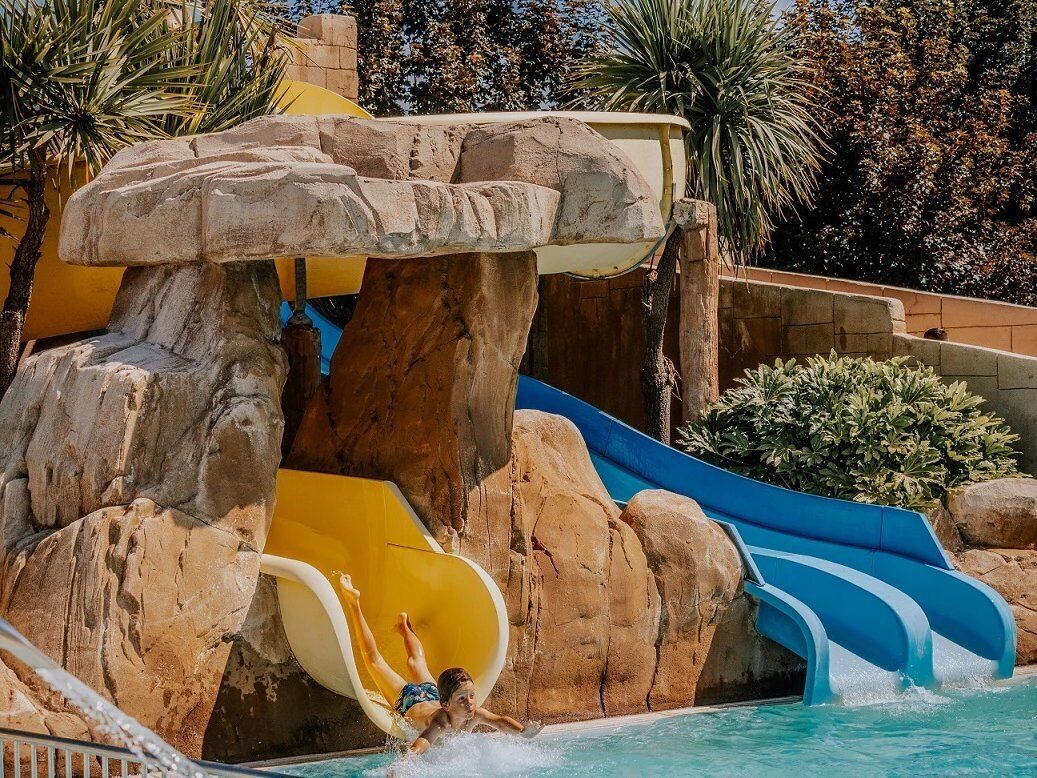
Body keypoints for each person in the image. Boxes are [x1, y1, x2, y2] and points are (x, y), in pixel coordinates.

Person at [335, 572, 543, 752]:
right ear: (447, 705)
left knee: (417, 660)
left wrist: (524, 731)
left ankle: (404, 627)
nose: (470, 702)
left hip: (433, 692)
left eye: (471, 695)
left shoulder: (474, 713)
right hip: (411, 700)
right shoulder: (440, 723)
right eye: (462, 699)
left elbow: (499, 721)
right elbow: (423, 743)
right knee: (376, 661)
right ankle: (354, 604)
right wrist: (407, 762)